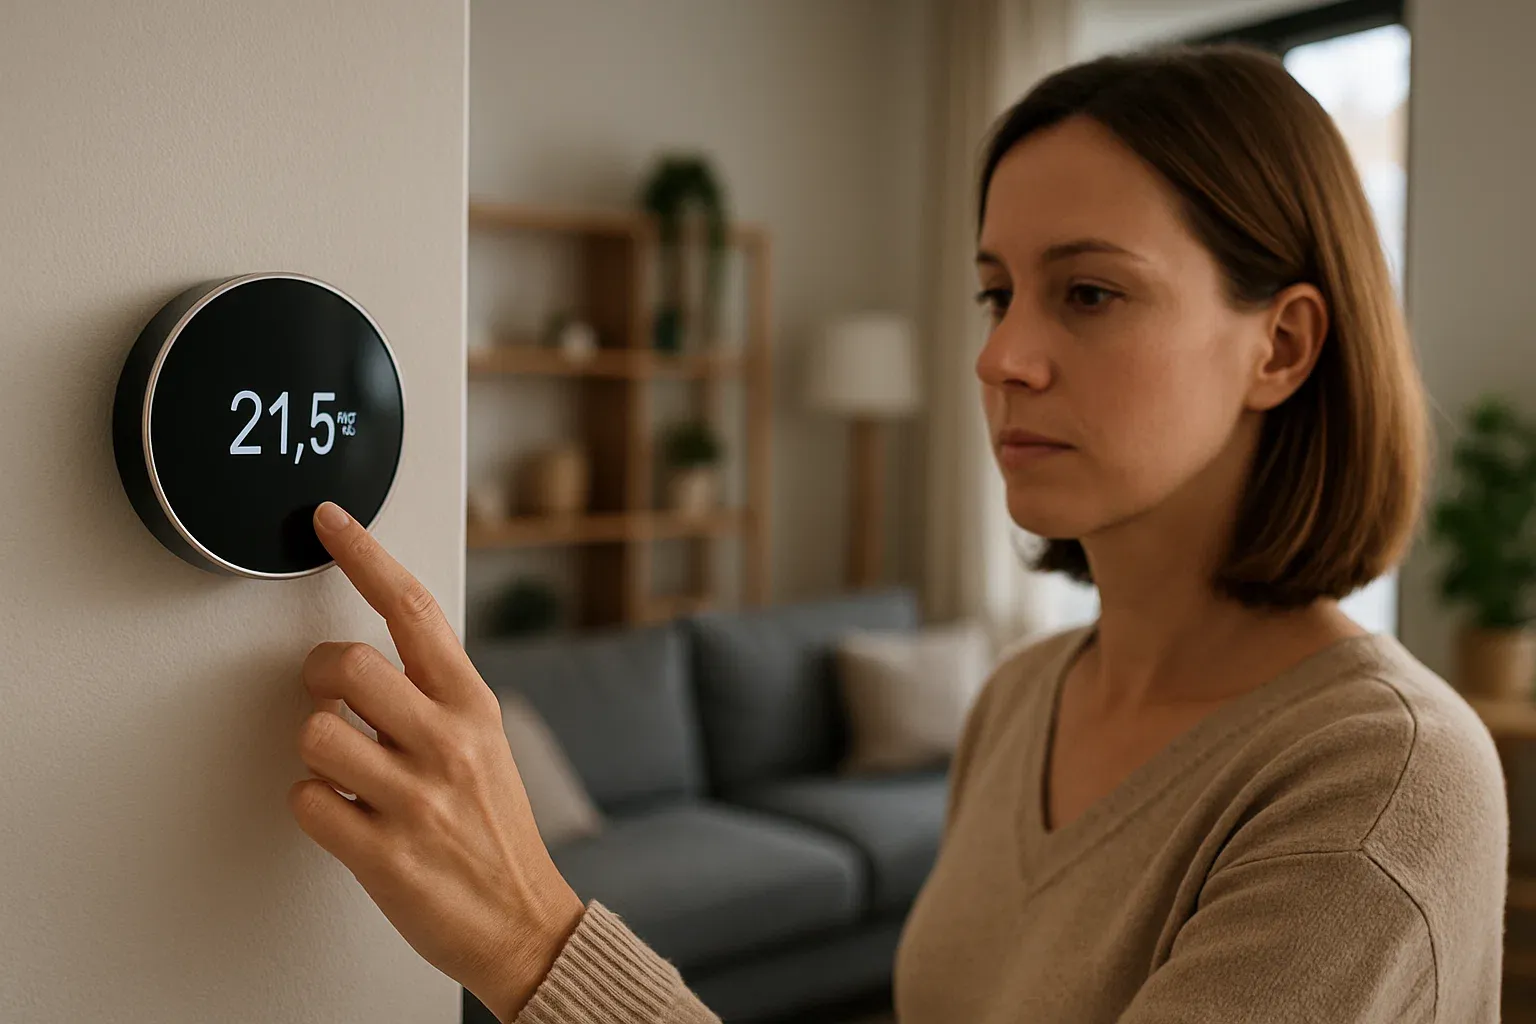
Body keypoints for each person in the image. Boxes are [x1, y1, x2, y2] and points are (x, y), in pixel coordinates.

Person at [288, 46, 1508, 1024]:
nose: (999, 357)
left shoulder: (1382, 781)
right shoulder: (1023, 696)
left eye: (1088, 292)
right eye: (996, 292)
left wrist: (531, 940)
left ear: (1281, 347)